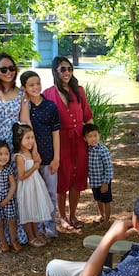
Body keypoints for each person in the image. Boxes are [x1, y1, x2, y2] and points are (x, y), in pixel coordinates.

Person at [43, 56, 94, 230]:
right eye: (63, 69)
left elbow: (88, 117)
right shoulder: (47, 94)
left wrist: (94, 141)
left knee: (77, 178)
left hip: (79, 140)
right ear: (55, 71)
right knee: (62, 180)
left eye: (70, 68)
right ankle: (62, 216)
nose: (67, 72)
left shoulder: (79, 90)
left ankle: (73, 214)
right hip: (60, 141)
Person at [20, 70, 61, 239]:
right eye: (31, 85)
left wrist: (56, 157)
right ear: (24, 88)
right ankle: (37, 227)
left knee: (51, 193)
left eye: (37, 83)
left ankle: (50, 225)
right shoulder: (24, 107)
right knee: (35, 194)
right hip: (30, 160)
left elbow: (56, 133)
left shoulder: (50, 106)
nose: (36, 87)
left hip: (48, 156)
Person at [12, 122, 54, 248]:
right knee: (28, 211)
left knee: (34, 210)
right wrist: (35, 166)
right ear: (19, 140)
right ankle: (31, 237)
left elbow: (37, 161)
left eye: (32, 138)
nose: (31, 141)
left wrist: (37, 158)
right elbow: (21, 176)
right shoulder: (20, 156)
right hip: (26, 187)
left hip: (35, 185)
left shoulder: (30, 153)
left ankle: (37, 234)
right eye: (28, 138)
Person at [0, 52, 31, 153]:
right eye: (3, 69)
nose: (8, 72)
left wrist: (33, 149)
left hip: (12, 146)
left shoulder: (22, 94)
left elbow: (25, 122)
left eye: (11, 68)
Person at [83, 123, 114, 226]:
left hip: (103, 181)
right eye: (90, 136)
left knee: (106, 200)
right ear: (85, 138)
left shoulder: (103, 150)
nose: (93, 139)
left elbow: (108, 168)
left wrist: (106, 182)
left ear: (99, 135)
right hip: (94, 181)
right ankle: (102, 215)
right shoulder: (87, 150)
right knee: (98, 200)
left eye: (95, 135)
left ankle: (107, 220)